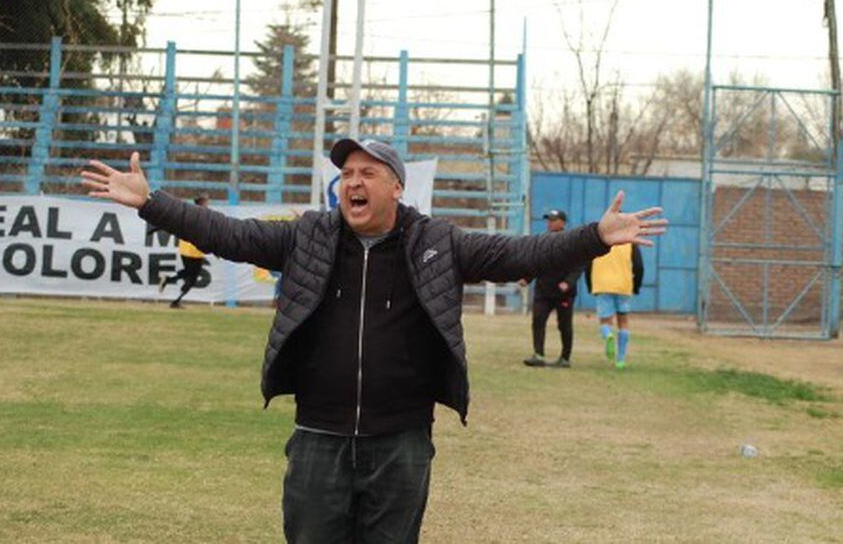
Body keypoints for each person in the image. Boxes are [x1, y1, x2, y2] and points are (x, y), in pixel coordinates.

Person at [81, 138, 666, 543]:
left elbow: (519, 255)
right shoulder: (309, 236)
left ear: (395, 188)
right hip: (318, 438)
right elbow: (228, 234)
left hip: (402, 442)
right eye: (346, 175)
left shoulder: (436, 243)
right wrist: (154, 204)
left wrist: (595, 237)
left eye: (367, 174)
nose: (352, 183)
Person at [521, 209, 582, 368]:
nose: (550, 223)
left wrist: (568, 282)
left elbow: (578, 265)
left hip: (563, 293)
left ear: (562, 222)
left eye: (553, 220)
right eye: (549, 220)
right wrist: (527, 278)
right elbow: (536, 262)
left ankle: (565, 358)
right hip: (543, 290)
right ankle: (538, 354)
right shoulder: (542, 240)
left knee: (564, 325)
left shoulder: (571, 241)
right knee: (538, 321)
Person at [585, 242, 644, 370]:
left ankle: (608, 335)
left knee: (605, 321)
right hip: (623, 286)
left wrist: (590, 285)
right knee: (623, 322)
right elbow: (638, 266)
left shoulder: (598, 241)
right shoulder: (630, 244)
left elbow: (588, 265)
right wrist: (636, 286)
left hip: (602, 285)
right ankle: (621, 360)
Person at [157, 194, 210, 308]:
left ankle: (168, 280)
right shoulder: (204, 215)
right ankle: (176, 301)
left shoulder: (189, 212)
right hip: (195, 251)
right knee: (192, 278)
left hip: (184, 248)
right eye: (206, 201)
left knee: (187, 272)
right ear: (202, 203)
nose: (208, 204)